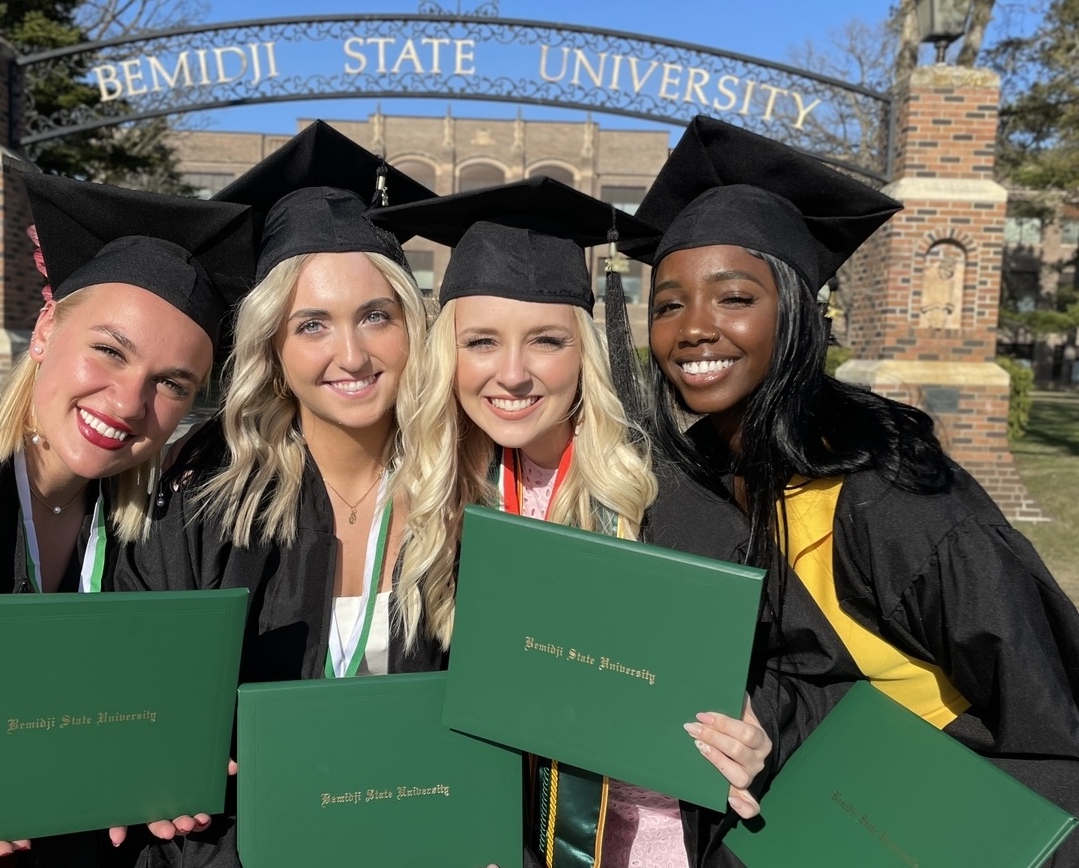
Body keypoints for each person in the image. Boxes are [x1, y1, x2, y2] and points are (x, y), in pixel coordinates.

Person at [628, 115, 1079, 865]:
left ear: (797, 314)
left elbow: (1044, 712)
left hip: (941, 816)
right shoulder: (692, 484)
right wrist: (758, 722)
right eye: (668, 304)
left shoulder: (896, 499)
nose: (693, 328)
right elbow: (806, 674)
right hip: (802, 801)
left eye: (733, 298)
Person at [368, 176, 772, 868]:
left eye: (547, 341)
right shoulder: (431, 500)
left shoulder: (670, 501)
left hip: (652, 845)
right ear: (447, 356)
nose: (514, 373)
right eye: (482, 342)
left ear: (584, 352)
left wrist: (757, 732)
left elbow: (769, 679)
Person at [109, 120, 436, 867]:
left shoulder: (468, 491)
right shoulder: (197, 506)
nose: (349, 354)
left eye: (375, 316)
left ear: (412, 327)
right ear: (271, 348)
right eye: (311, 324)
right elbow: (144, 714)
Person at [0, 173, 255, 867]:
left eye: (172, 384)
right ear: (46, 330)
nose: (129, 402)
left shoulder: (155, 528)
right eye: (109, 349)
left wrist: (158, 764)